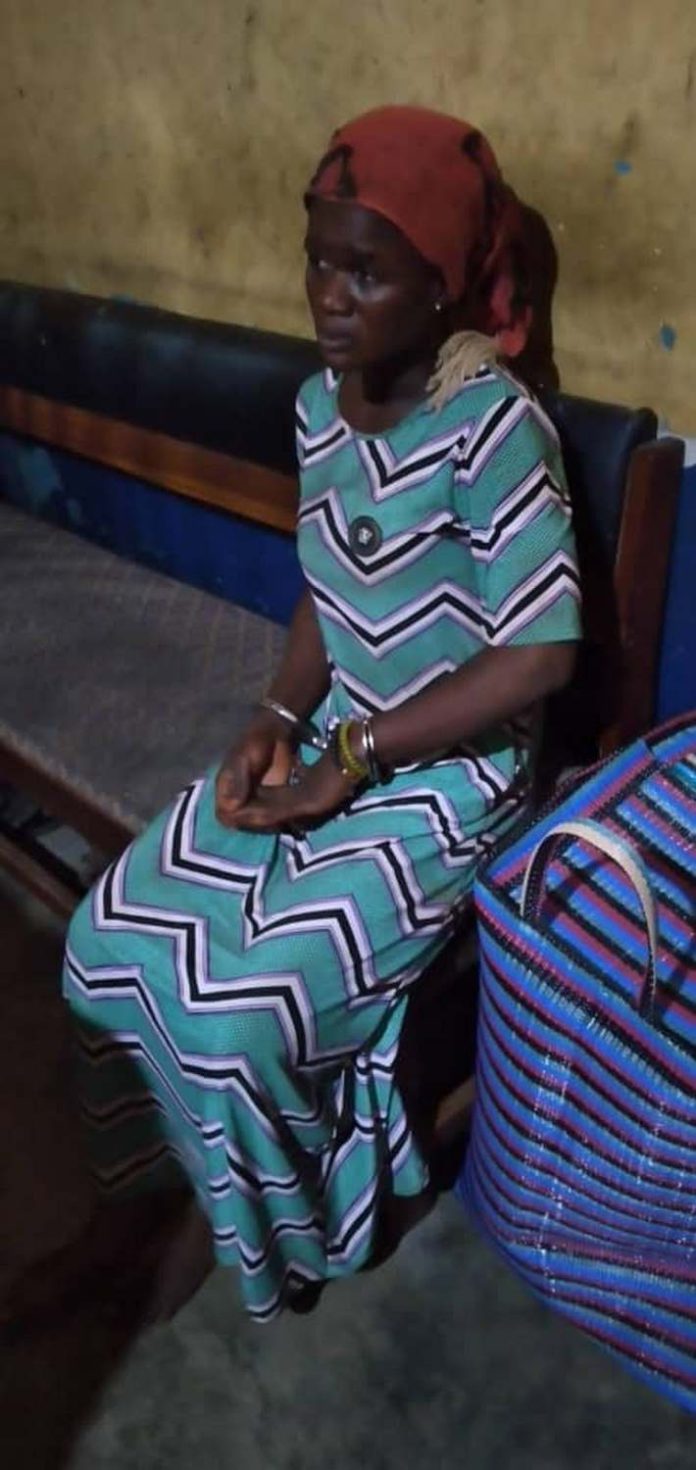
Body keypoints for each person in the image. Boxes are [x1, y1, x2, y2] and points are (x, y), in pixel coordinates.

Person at [61, 106, 581, 1324]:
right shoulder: (320, 406)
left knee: (241, 1027)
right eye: (319, 262)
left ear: (442, 283)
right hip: (341, 731)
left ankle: (291, 1229)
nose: (329, 299)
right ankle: (195, 1184)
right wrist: (277, 711)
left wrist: (354, 754)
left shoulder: (492, 431)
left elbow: (542, 656)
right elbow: (329, 581)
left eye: (367, 273)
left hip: (449, 780)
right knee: (104, 943)